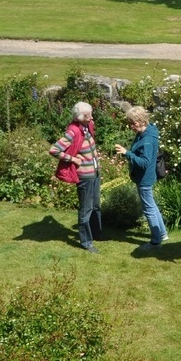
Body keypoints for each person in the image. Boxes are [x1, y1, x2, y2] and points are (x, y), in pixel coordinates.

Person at [49, 101, 103, 253]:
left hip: (95, 173)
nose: (91, 117)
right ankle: (86, 242)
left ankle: (97, 234)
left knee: (96, 206)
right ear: (78, 117)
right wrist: (73, 159)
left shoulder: (87, 126)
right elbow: (54, 150)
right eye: (87, 115)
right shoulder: (73, 132)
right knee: (85, 210)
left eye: (90, 113)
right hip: (85, 177)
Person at [114, 105, 167, 250]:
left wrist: (127, 153)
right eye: (129, 123)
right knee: (152, 206)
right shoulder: (146, 131)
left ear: (141, 120)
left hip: (144, 178)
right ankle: (162, 234)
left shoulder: (147, 140)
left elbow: (144, 163)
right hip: (145, 177)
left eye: (133, 123)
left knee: (149, 209)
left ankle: (156, 242)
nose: (131, 126)